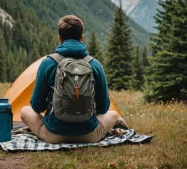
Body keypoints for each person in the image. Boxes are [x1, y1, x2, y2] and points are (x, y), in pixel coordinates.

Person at [21, 15, 124, 144]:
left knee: (25, 111)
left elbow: (36, 106)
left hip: (54, 135)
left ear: (59, 38)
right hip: (89, 135)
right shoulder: (95, 64)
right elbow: (103, 108)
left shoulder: (48, 63)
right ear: (81, 38)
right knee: (113, 115)